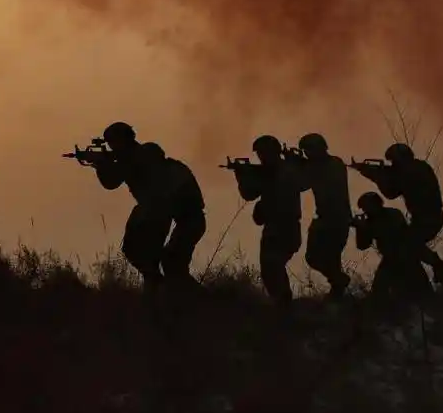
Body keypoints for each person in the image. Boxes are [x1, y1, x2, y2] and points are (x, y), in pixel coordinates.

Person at [93, 122, 207, 290]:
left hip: (183, 216)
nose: (112, 147)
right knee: (159, 261)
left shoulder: (142, 155)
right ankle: (166, 292)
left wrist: (102, 165)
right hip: (173, 214)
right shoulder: (137, 158)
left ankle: (190, 297)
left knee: (168, 262)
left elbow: (111, 181)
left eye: (113, 142)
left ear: (124, 140)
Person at [354, 143, 443, 284]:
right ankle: (433, 274)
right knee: (407, 246)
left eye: (394, 161)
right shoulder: (419, 167)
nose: (393, 165)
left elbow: (390, 192)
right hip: (427, 216)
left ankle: (436, 265)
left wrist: (375, 174)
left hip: (428, 218)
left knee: (407, 244)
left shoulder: (409, 172)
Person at [230, 135, 303, 305]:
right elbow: (251, 193)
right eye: (260, 154)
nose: (261, 157)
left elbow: (250, 193)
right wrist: (243, 175)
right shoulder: (279, 170)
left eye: (263, 153)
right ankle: (283, 304)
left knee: (272, 268)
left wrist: (243, 176)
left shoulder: (282, 171)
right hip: (280, 227)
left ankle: (283, 306)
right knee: (272, 269)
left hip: (283, 228)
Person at [294, 133, 352, 300]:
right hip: (326, 218)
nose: (307, 154)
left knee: (323, 258)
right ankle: (338, 287)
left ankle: (338, 284)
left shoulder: (332, 164)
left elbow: (302, 184)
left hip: (336, 219)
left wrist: (297, 166)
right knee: (321, 258)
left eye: (309, 150)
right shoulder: (321, 165)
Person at [353, 192, 433, 300]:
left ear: (376, 204)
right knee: (379, 294)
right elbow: (362, 246)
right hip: (390, 259)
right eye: (364, 208)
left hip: (406, 257)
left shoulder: (393, 214)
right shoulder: (370, 222)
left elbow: (390, 233)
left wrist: (366, 227)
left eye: (367, 207)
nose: (365, 210)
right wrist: (360, 229)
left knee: (423, 292)